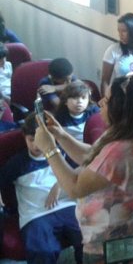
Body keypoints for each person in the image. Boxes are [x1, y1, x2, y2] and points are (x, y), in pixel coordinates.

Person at [33, 75, 133, 262]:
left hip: (109, 240)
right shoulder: (130, 131)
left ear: (121, 109)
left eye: (107, 100)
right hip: (127, 225)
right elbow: (92, 156)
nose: (100, 102)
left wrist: (49, 149)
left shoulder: (121, 151)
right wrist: (61, 135)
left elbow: (74, 187)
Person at [0, 112, 83, 264]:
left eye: (40, 140)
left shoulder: (62, 152)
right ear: (25, 138)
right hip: (36, 214)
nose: (36, 145)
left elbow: (82, 168)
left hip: (66, 205)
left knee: (87, 238)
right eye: (31, 140)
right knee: (43, 251)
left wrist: (59, 184)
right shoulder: (17, 163)